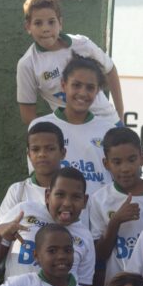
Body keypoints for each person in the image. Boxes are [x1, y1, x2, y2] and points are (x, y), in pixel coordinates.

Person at [17, 0, 123, 124]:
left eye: (51, 22)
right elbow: (28, 116)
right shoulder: (27, 64)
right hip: (70, 132)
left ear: (60, 23)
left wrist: (120, 117)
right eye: (38, 23)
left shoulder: (82, 44)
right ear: (28, 26)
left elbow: (110, 70)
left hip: (108, 123)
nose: (45, 29)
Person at [0, 166, 95, 286]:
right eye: (60, 195)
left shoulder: (85, 237)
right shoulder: (24, 211)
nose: (67, 203)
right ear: (47, 196)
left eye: (76, 197)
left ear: (85, 201)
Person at [89, 127, 143, 286]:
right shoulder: (99, 199)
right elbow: (99, 255)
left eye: (131, 160)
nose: (125, 168)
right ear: (106, 163)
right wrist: (115, 222)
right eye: (117, 162)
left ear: (142, 158)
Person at [29, 54, 118, 195]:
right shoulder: (41, 126)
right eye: (76, 85)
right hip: (57, 215)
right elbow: (38, 184)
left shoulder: (109, 130)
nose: (82, 93)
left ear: (97, 91)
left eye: (90, 88)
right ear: (64, 85)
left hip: (101, 216)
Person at [0, 122, 66, 224]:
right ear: (28, 155)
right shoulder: (17, 191)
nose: (42, 154)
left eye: (50, 149)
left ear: (63, 153)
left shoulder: (74, 191)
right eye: (35, 149)